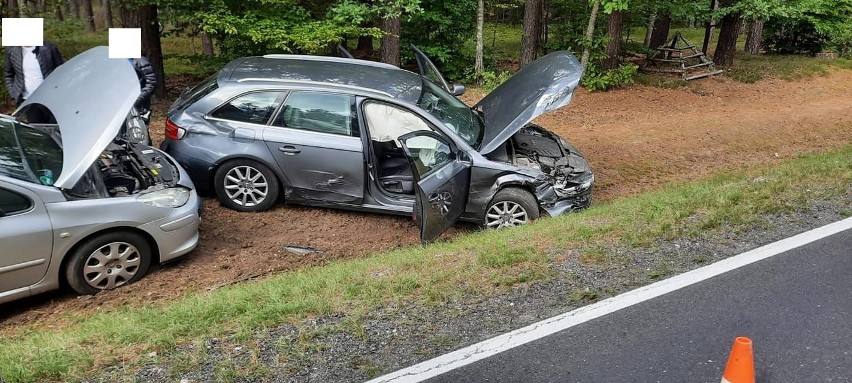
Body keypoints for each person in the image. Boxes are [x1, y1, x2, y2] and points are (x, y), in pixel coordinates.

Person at [4, 41, 64, 107]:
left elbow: (62, 71)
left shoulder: (49, 48)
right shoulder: (11, 51)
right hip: (27, 100)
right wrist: (14, 93)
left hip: (50, 97)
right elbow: (8, 75)